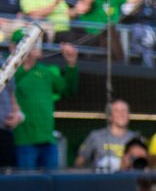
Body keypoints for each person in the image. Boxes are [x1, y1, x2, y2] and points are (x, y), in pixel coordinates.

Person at [12, 32, 77, 169]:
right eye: (26, 46)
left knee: (51, 179)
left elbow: (67, 89)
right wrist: (26, 64)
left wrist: (71, 63)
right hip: (25, 141)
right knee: (26, 179)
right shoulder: (9, 72)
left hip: (47, 138)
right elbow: (8, 85)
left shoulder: (44, 71)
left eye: (32, 45)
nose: (30, 49)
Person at [74, 99, 141, 172]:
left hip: (127, 178)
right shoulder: (96, 136)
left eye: (124, 111)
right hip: (101, 178)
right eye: (117, 111)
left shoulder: (136, 138)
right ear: (110, 116)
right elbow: (79, 162)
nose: (121, 114)